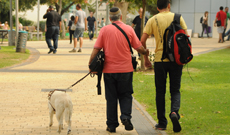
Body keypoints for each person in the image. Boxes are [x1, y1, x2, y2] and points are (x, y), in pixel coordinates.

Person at [88, 7, 149, 133]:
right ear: (121, 17)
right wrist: (145, 52)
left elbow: (96, 49)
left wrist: (90, 64)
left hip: (109, 71)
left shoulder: (104, 30)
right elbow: (139, 48)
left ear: (110, 18)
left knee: (111, 98)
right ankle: (126, 117)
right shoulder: (129, 29)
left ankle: (111, 125)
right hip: (126, 70)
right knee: (126, 95)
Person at [141, 0, 188, 132]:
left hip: (159, 60)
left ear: (157, 8)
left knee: (160, 92)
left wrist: (146, 58)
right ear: (168, 5)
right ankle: (174, 112)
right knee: (175, 89)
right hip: (176, 60)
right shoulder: (178, 17)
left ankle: (162, 123)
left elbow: (142, 41)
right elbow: (186, 37)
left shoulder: (152, 19)